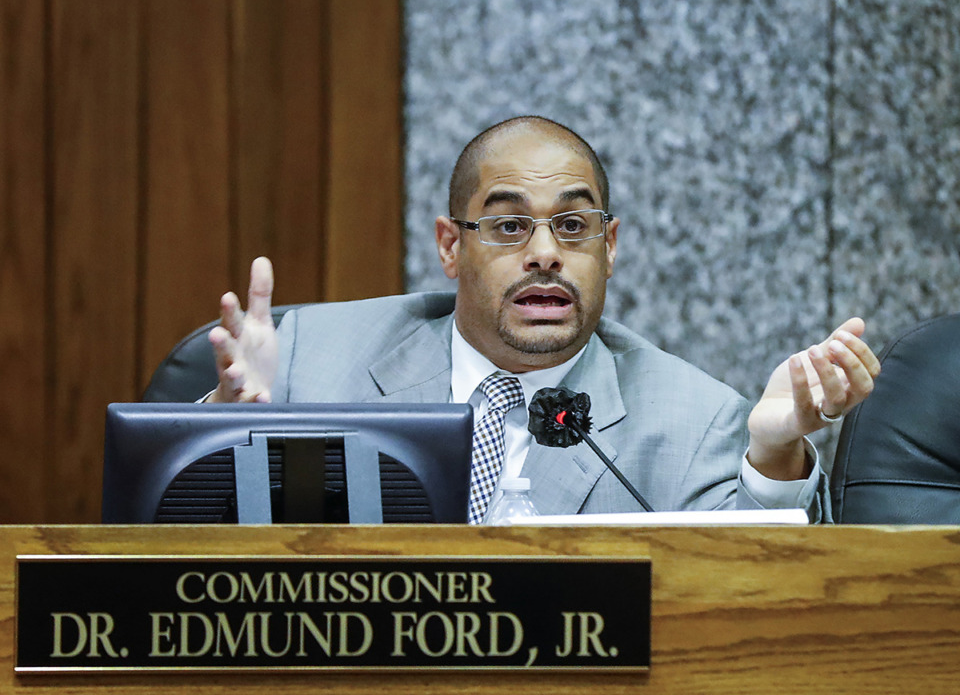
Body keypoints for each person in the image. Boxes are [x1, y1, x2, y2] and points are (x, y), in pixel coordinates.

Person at [206, 115, 880, 522]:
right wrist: (225, 424)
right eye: (507, 226)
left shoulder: (693, 421)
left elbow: (749, 594)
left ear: (609, 247)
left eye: (573, 225)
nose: (546, 254)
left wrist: (771, 455)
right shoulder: (312, 362)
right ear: (450, 245)